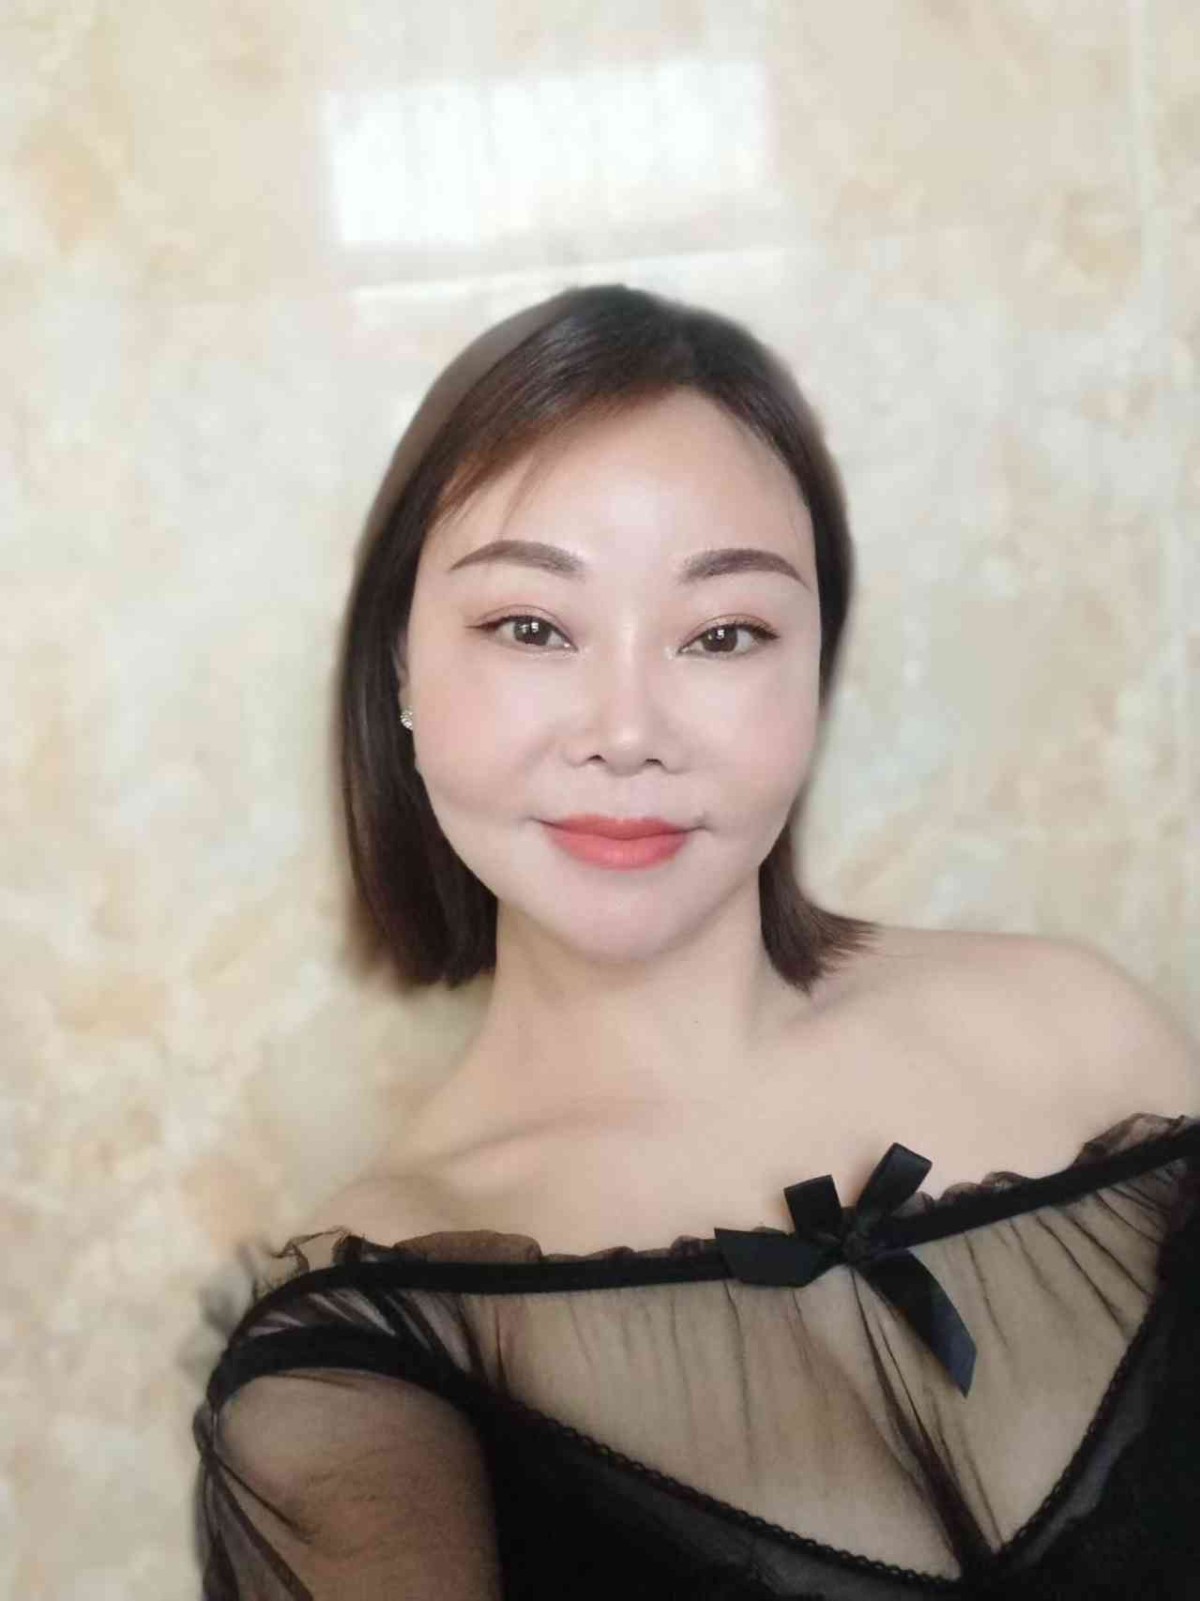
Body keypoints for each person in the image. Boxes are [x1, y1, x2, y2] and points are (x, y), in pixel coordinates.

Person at [190, 284, 1200, 1597]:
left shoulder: (1087, 1040)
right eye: (531, 627)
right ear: (398, 672)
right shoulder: (357, 1367)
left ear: (814, 669)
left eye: (724, 634)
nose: (627, 731)